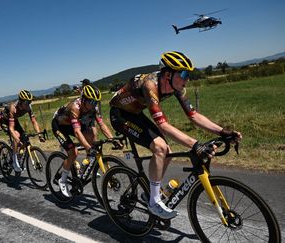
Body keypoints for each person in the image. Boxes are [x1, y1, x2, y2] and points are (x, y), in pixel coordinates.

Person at [109, 51, 242, 219]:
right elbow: (163, 125)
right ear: (167, 74)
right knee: (160, 147)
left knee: (168, 152)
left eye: (189, 74)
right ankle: (154, 201)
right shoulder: (149, 85)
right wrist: (195, 145)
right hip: (120, 115)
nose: (187, 79)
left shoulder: (177, 87)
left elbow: (193, 115)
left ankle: (150, 193)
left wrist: (222, 131)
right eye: (184, 74)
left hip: (136, 113)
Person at [52, 84, 121, 197]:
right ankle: (62, 180)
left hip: (70, 124)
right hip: (59, 126)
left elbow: (102, 125)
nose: (94, 105)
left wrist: (112, 139)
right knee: (73, 152)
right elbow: (77, 132)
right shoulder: (75, 107)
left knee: (92, 134)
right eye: (92, 102)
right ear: (83, 99)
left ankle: (85, 166)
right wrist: (88, 148)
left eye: (96, 102)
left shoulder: (94, 108)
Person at [0, 90, 45, 172]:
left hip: (14, 120)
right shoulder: (13, 109)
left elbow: (34, 121)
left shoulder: (28, 107)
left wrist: (39, 134)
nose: (29, 104)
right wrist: (16, 139)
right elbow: (11, 128)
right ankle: (14, 158)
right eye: (27, 102)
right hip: (5, 121)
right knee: (16, 135)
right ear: (21, 101)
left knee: (24, 139)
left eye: (30, 101)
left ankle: (18, 155)